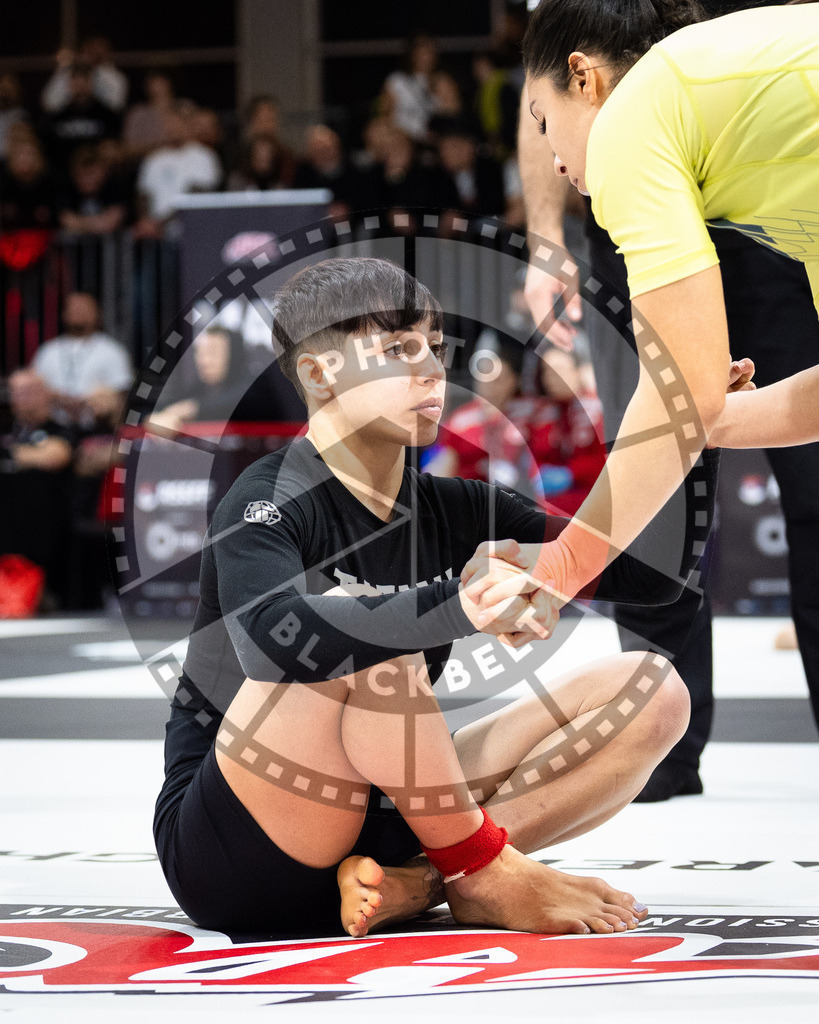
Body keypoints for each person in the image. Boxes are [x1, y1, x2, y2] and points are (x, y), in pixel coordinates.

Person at [153, 255, 725, 940]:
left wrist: (688, 435)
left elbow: (651, 579)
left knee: (652, 691)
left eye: (433, 345)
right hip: (240, 849)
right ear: (320, 374)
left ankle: (426, 880)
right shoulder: (264, 499)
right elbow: (270, 640)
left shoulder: (457, 507)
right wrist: (457, 603)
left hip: (385, 824)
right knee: (371, 641)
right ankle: (482, 870)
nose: (431, 368)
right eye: (398, 349)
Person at [514, 0, 819, 780]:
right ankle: (660, 751)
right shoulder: (793, 193)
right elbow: (709, 404)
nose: (552, 157)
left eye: (544, 122)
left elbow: (681, 395)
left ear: (583, 78)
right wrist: (713, 416)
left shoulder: (632, 118)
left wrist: (559, 569)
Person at [32, 292, 133, 427]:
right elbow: (34, 388)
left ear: (97, 313)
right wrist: (61, 399)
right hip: (51, 424)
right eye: (74, 308)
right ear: (64, 313)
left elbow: (121, 393)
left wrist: (86, 402)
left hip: (98, 425)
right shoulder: (48, 350)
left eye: (84, 308)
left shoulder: (112, 350)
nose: (79, 312)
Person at [134, 101, 222, 232]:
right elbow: (143, 195)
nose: (173, 127)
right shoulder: (153, 158)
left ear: (188, 124)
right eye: (170, 122)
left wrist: (161, 224)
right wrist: (146, 221)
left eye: (178, 122)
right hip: (153, 231)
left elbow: (196, 196)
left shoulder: (204, 156)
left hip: (189, 229)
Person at [147, 325, 250, 433]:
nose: (204, 361)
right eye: (200, 352)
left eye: (213, 352)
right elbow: (163, 408)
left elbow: (235, 402)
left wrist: (186, 411)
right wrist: (155, 418)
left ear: (234, 355)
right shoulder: (197, 388)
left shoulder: (251, 387)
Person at [41, 37, 128, 114]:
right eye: (90, 50)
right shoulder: (68, 73)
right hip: (70, 120)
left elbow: (116, 105)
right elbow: (49, 104)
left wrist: (90, 91)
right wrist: (64, 68)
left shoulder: (115, 78)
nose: (94, 54)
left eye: (98, 54)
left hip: (100, 122)